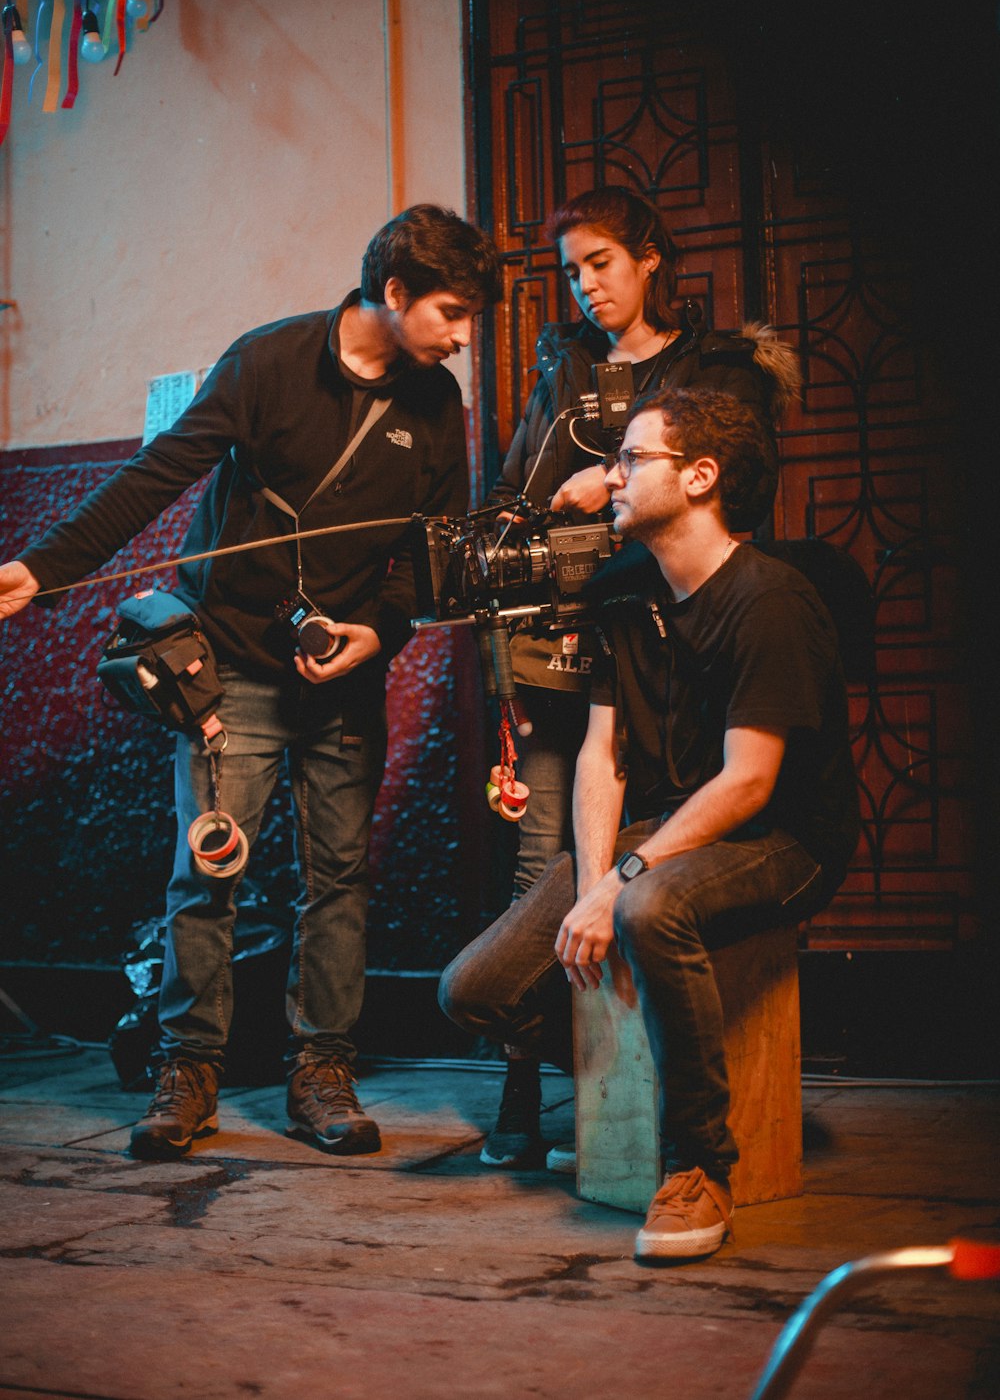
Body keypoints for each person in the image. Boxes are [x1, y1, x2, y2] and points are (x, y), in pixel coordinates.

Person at [0, 204, 501, 1162]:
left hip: (344, 680)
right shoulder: (267, 362)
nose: (464, 337)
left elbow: (426, 558)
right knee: (208, 871)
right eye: (452, 313)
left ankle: (323, 1072)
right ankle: (186, 1073)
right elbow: (159, 474)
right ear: (394, 294)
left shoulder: (438, 408)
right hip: (230, 666)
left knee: (339, 882)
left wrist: (380, 631)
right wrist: (46, 568)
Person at [440, 385, 860, 1261]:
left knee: (648, 909)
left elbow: (749, 785)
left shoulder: (770, 600)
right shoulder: (624, 588)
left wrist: (624, 887)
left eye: (632, 457)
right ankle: (625, 1097)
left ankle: (699, 1165)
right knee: (474, 988)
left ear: (701, 476)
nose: (611, 475)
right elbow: (605, 756)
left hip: (787, 840)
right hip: (674, 828)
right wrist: (592, 883)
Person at [479, 186, 800, 1170]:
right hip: (562, 639)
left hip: (666, 645)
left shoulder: (713, 370)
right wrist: (559, 495)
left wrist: (618, 484)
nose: (586, 287)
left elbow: (738, 491)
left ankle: (646, 1110)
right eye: (572, 271)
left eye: (602, 263)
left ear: (650, 258)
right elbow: (508, 499)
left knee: (660, 841)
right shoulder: (564, 370)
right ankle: (533, 1086)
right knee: (546, 858)